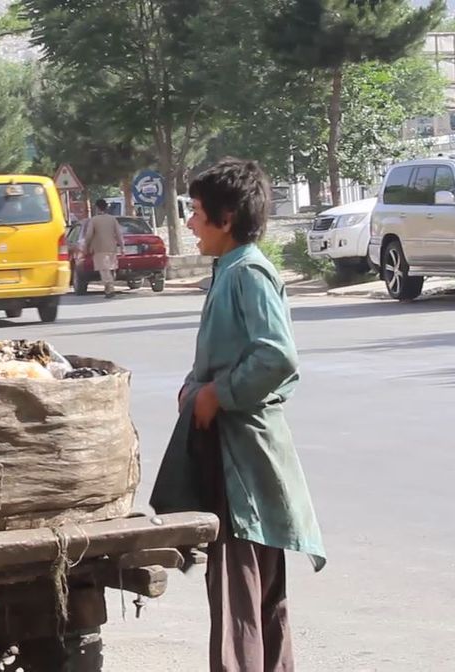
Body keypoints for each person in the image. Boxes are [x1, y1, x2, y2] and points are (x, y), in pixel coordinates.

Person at [150, 159, 325, 672]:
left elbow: (276, 356)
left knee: (238, 595)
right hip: (231, 453)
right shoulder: (229, 269)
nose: (189, 223)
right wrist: (193, 388)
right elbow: (222, 356)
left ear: (226, 219)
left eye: (197, 213)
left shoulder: (247, 271)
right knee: (254, 595)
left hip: (242, 460)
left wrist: (217, 395)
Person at [80, 200, 126, 296]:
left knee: (103, 268)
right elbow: (119, 234)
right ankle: (109, 286)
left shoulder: (94, 220)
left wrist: (86, 245)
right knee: (110, 268)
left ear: (97, 208)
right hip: (112, 247)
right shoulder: (112, 219)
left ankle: (110, 287)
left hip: (99, 247)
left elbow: (88, 235)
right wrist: (122, 247)